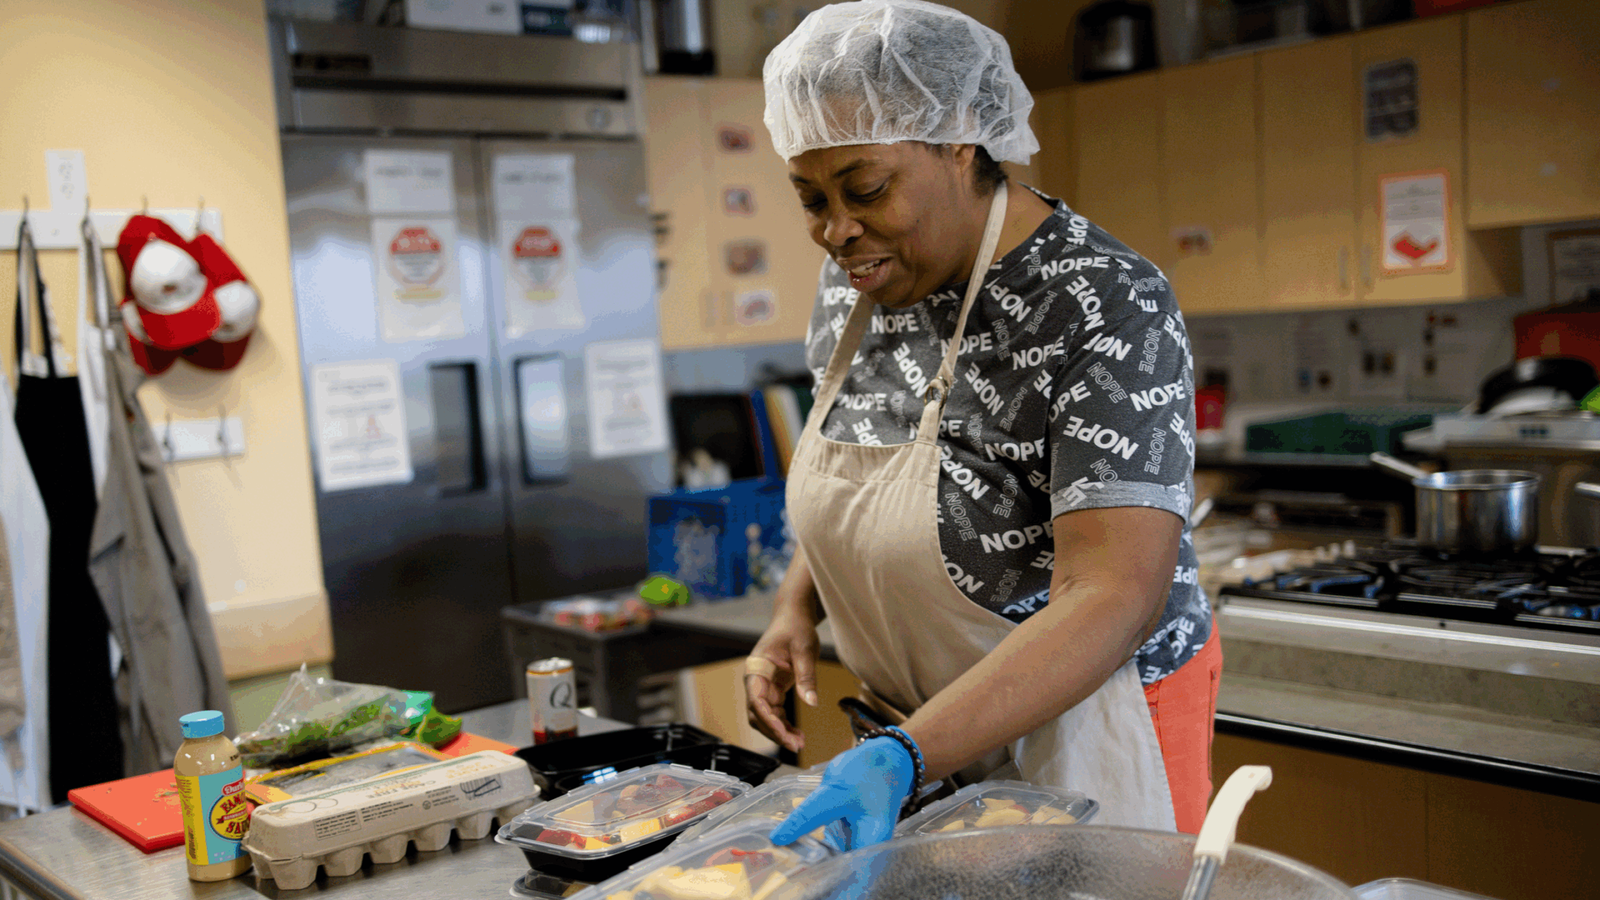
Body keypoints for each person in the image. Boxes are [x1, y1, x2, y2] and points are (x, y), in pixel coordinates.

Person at [743, 0, 1222, 850]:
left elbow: (1111, 593)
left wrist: (907, 752)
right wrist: (794, 611)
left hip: (1083, 727)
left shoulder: (1106, 301)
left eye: (865, 189)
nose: (836, 231)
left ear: (960, 142)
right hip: (921, 735)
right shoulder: (862, 280)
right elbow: (861, 485)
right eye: (809, 197)